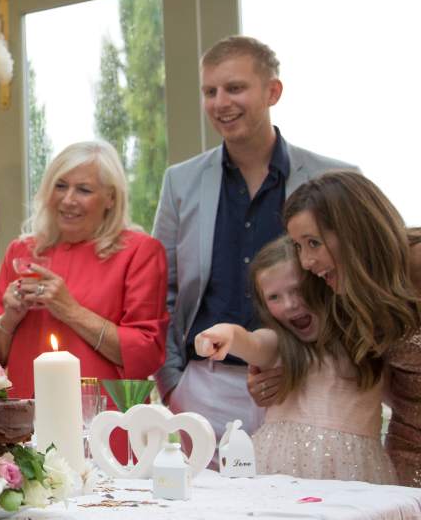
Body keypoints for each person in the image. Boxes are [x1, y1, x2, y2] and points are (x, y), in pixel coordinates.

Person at [153, 35, 353, 442]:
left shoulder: (335, 180)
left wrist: (307, 367)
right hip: (202, 389)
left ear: (273, 91)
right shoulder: (180, 181)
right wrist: (173, 380)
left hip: (306, 384)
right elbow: (162, 290)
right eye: (210, 91)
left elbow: (354, 291)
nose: (220, 102)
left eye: (235, 88)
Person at [0, 142, 167, 436]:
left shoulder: (140, 252)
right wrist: (9, 319)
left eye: (83, 190)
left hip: (104, 424)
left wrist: (69, 310)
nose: (68, 200)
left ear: (110, 197)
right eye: (60, 186)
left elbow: (146, 352)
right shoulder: (21, 251)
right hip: (26, 419)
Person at [195, 237, 395, 482]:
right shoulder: (280, 345)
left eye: (297, 289)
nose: (289, 304)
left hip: (358, 473)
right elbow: (252, 342)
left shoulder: (366, 339)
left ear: (322, 283)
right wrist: (226, 333)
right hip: (279, 473)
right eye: (274, 297)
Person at [278, 171, 421, 486]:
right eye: (298, 246)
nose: (306, 261)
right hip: (406, 463)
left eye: (313, 243)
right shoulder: (343, 293)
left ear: (357, 232)